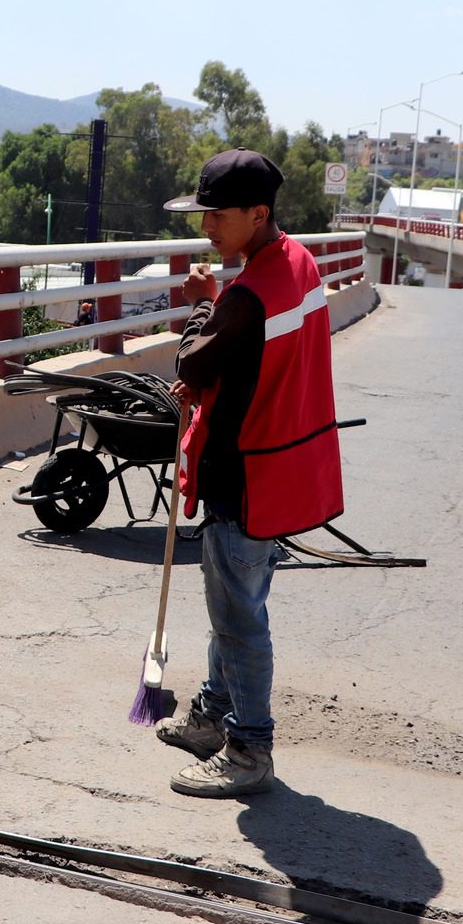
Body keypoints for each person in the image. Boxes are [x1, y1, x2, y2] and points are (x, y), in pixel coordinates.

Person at [153, 149, 343, 799]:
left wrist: (204, 304)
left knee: (237, 617)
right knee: (234, 599)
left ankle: (248, 747)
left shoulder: (246, 295)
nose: (206, 227)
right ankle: (211, 714)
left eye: (216, 215)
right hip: (284, 463)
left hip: (247, 472)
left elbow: (197, 361)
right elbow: (250, 359)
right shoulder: (299, 263)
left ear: (257, 214)